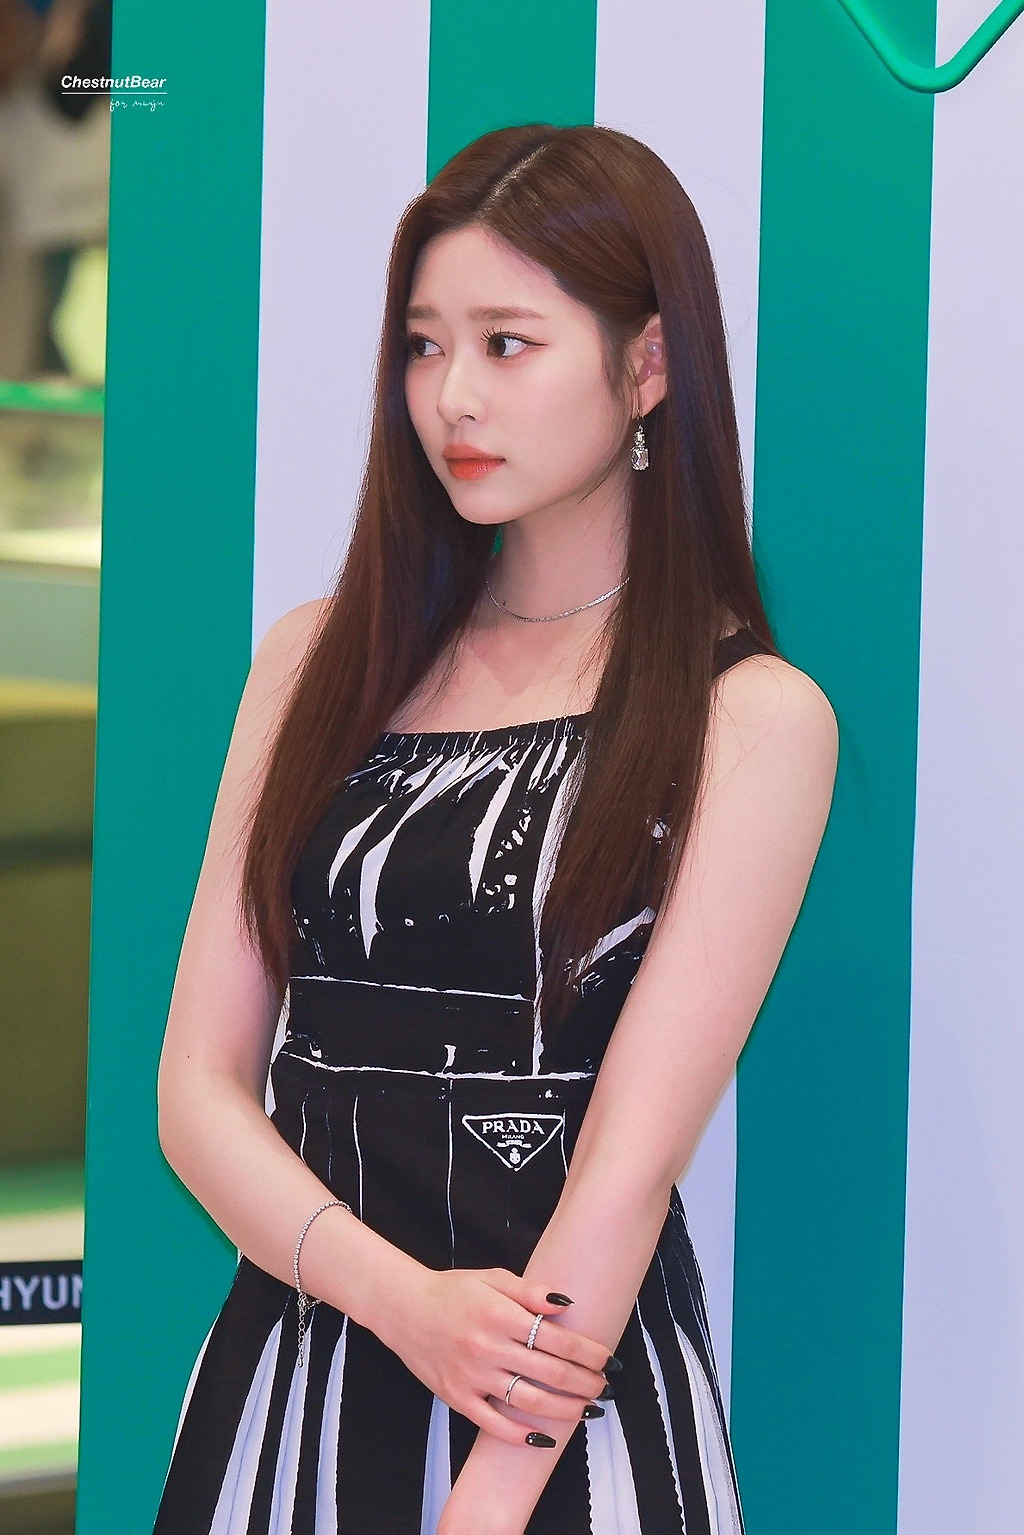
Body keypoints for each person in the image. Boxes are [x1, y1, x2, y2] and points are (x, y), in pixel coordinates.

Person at [153, 124, 838, 1534]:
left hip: (559, 1424)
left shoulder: (749, 717)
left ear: (648, 365)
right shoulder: (316, 662)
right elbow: (197, 1091)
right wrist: (404, 1305)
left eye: (507, 344)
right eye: (423, 345)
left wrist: (488, 1500)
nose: (452, 395)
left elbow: (625, 1175)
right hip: (299, 1378)